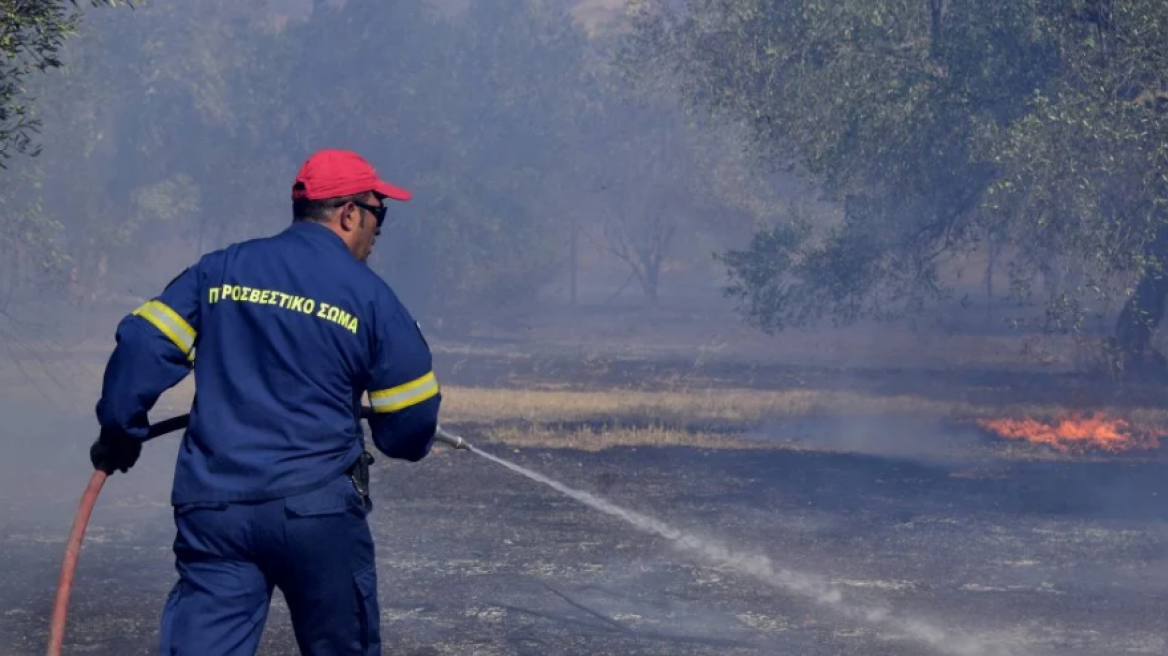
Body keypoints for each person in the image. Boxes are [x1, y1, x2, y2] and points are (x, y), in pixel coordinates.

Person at [89, 149, 442, 655]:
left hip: (215, 511)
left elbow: (144, 345)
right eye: (377, 215)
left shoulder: (220, 270)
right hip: (317, 515)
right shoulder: (373, 300)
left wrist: (120, 435)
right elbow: (410, 430)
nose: (378, 231)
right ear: (347, 214)